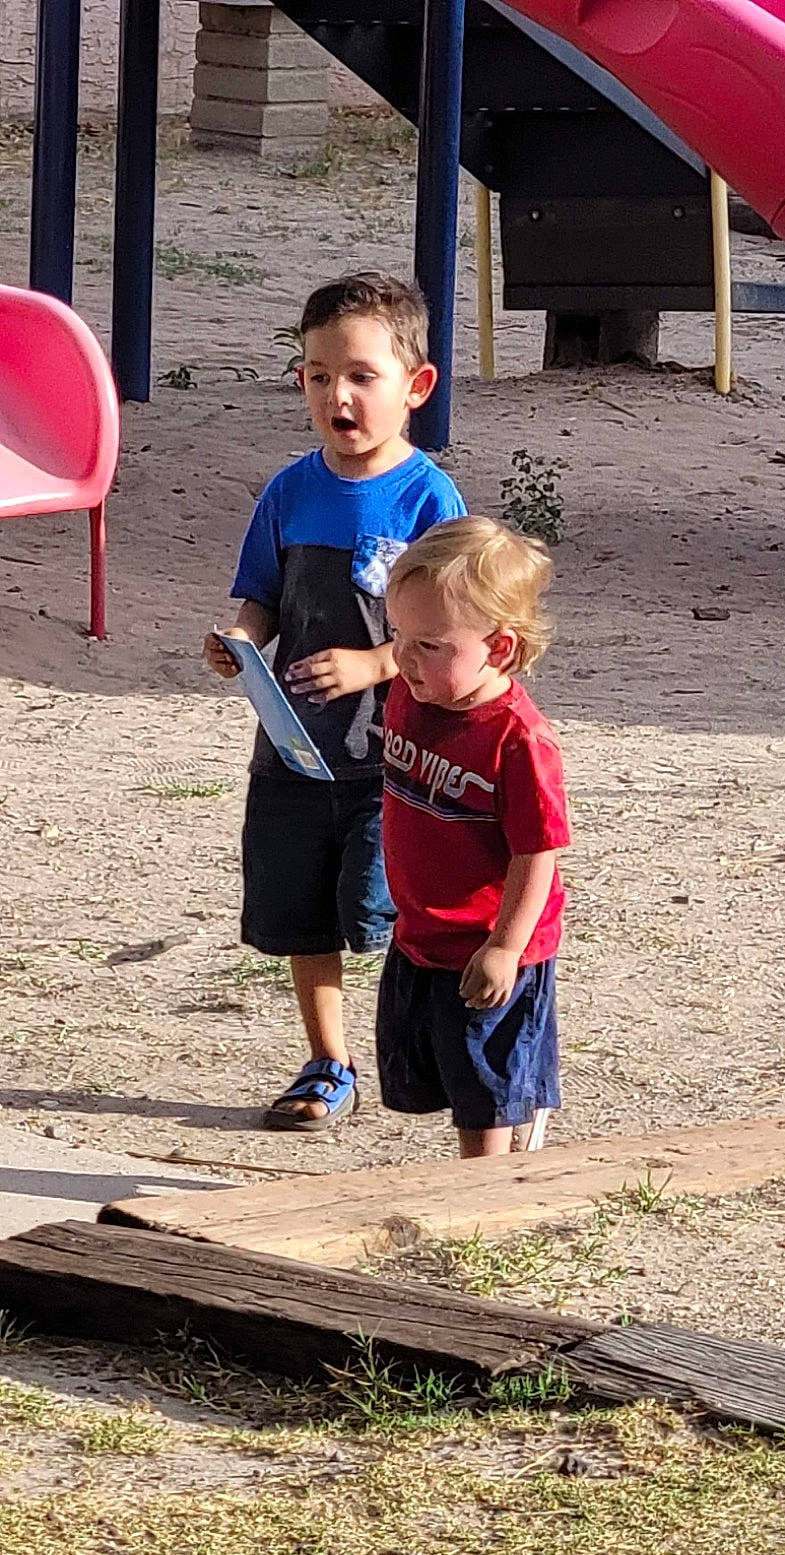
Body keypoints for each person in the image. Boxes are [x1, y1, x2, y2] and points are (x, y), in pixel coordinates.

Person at [203, 273, 466, 1131]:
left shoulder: (428, 498)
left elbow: (456, 625)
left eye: (359, 375)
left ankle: (423, 1041)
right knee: (300, 909)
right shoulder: (289, 491)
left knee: (379, 907)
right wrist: (237, 643)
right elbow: (260, 599)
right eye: (317, 375)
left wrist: (377, 662)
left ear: (415, 386)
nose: (336, 395)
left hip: (393, 758)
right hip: (291, 749)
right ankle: (329, 1061)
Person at [377, 516, 570, 1159]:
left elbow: (536, 852)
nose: (404, 657)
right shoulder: (410, 695)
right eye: (398, 635)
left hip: (487, 940)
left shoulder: (518, 740)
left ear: (500, 648)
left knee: (483, 1087)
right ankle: (502, 1141)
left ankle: (482, 1198)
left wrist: (505, 948)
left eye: (430, 644)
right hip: (421, 931)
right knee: (430, 1069)